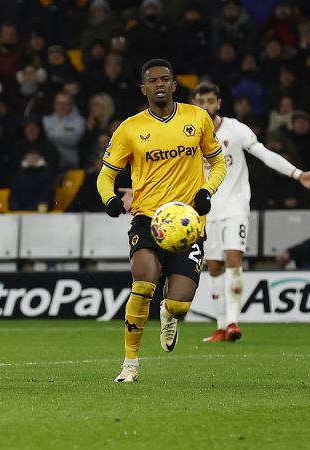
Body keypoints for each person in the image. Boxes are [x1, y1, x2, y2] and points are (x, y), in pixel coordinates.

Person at [96, 59, 228, 382]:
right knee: (143, 285)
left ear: (173, 85)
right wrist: (111, 200)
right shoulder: (129, 129)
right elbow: (105, 176)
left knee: (180, 303)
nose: (159, 84)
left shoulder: (198, 119)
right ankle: (130, 363)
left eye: (165, 79)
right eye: (152, 81)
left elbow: (219, 162)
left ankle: (169, 313)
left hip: (187, 224)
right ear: (144, 89)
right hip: (147, 220)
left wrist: (207, 191)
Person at [192, 82, 310, 343]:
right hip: (207, 210)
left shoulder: (235, 129)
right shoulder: (189, 135)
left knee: (233, 260)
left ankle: (232, 323)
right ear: (195, 104)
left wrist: (298, 175)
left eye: (210, 101)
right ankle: (219, 326)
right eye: (201, 101)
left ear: (218, 103)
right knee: (215, 266)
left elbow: (265, 154)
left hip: (235, 206)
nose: (206, 106)